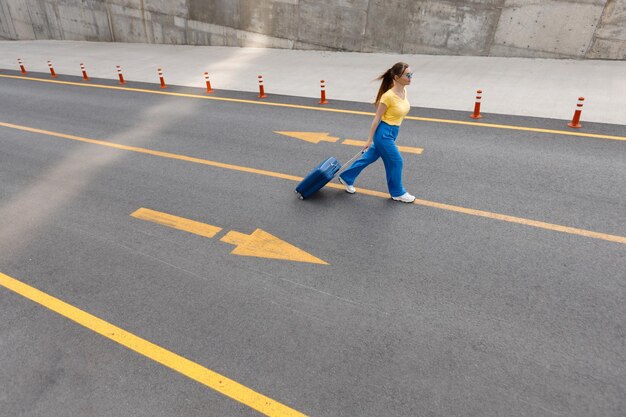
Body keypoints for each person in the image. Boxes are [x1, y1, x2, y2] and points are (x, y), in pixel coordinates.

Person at [338, 62, 416, 203]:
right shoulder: (388, 96)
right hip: (383, 134)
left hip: (393, 132)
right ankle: (397, 192)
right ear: (397, 77)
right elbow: (377, 119)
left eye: (412, 74)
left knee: (369, 158)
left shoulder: (404, 91)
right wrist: (369, 140)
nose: (411, 77)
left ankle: (346, 177)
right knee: (396, 161)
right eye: (408, 75)